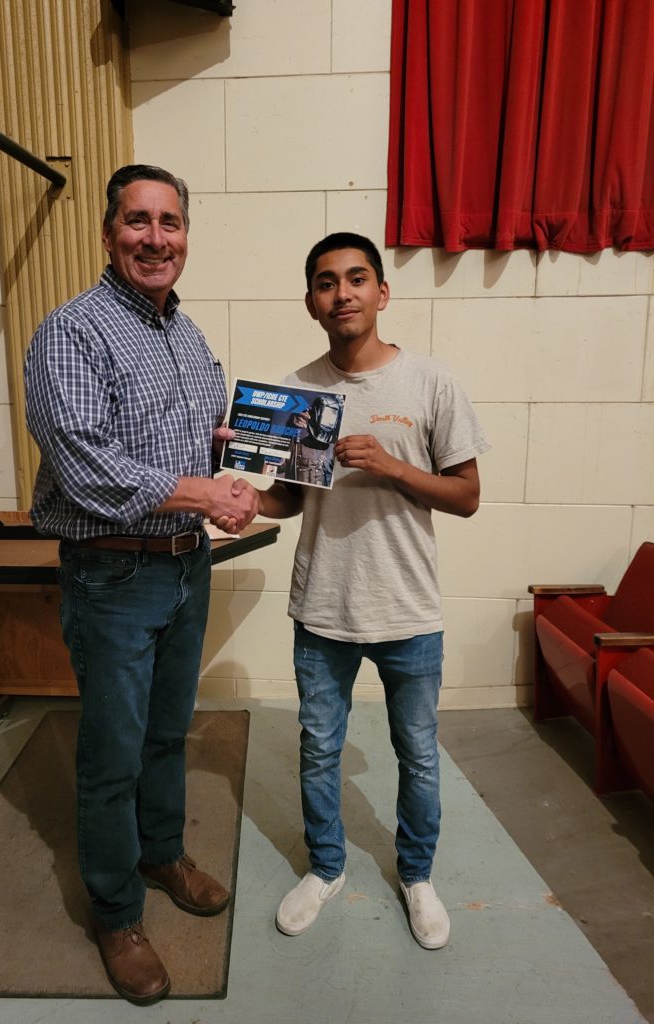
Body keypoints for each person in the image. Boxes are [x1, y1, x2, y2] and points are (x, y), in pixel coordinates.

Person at [24, 164, 258, 1005]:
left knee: (166, 736)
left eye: (170, 223)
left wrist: (243, 447)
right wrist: (208, 492)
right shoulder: (71, 332)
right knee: (113, 756)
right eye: (138, 221)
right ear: (108, 231)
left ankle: (161, 853)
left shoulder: (188, 338)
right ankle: (117, 912)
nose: (155, 238)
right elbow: (86, 465)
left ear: (186, 235)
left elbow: (192, 442)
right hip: (114, 573)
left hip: (183, 565)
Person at [257, 232, 490, 949]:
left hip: (408, 608)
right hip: (322, 606)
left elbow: (467, 496)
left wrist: (392, 468)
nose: (343, 293)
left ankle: (416, 875)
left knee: (417, 751)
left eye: (357, 279)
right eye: (327, 283)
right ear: (312, 303)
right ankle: (326, 868)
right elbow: (287, 503)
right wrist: (227, 487)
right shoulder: (298, 391)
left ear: (382, 293)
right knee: (318, 748)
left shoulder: (430, 383)